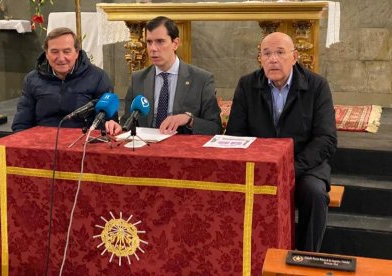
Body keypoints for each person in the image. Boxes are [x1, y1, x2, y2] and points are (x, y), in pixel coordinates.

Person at [225, 32, 337, 252]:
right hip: (259, 167)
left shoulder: (317, 86)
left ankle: (305, 258)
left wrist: (291, 168)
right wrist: (262, 167)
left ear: (295, 57)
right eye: (266, 53)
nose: (272, 59)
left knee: (314, 194)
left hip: (304, 166)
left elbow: (326, 138)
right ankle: (252, 255)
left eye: (279, 53)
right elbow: (235, 135)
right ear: (260, 59)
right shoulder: (247, 85)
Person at [106, 16, 221, 135]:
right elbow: (128, 122)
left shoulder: (201, 80)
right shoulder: (138, 79)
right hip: (145, 148)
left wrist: (189, 119)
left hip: (181, 149)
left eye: (160, 41)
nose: (153, 48)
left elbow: (215, 128)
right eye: (149, 42)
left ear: (175, 43)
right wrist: (118, 127)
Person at [12, 27, 119, 133]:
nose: (61, 58)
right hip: (41, 143)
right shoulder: (32, 79)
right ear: (46, 54)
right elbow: (21, 123)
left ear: (77, 53)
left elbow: (108, 121)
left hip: (83, 142)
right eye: (54, 52)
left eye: (67, 51)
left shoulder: (98, 77)